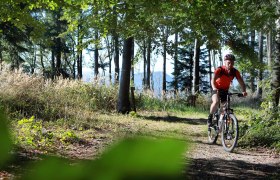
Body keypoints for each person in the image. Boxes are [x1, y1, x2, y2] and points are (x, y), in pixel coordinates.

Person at [208, 54, 247, 127]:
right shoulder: (220, 69)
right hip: (216, 89)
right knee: (216, 102)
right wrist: (214, 88)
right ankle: (210, 118)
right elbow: (212, 80)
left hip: (225, 90)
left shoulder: (235, 72)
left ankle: (224, 127)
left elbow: (241, 82)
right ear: (225, 62)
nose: (230, 64)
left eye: (232, 63)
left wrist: (244, 91)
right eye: (229, 62)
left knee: (226, 108)